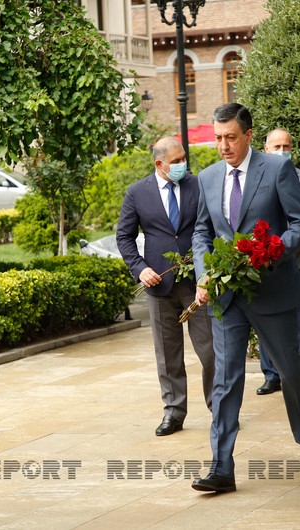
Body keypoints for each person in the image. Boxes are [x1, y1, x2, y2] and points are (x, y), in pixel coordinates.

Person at [191, 103, 300, 494]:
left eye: (230, 137)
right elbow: (201, 233)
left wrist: (274, 249)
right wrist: (204, 273)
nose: (223, 145)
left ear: (248, 135)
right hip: (226, 296)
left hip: (274, 291)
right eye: (217, 138)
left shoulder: (278, 169)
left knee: (292, 373)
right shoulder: (208, 177)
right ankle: (221, 466)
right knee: (225, 381)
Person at [116, 137, 215, 437]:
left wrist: (208, 270)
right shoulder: (137, 193)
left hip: (196, 284)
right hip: (159, 285)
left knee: (211, 350)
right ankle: (174, 411)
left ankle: (220, 407)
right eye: (176, 161)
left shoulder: (197, 186)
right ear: (159, 164)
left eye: (183, 158)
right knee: (168, 354)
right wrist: (140, 268)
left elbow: (210, 228)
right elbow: (124, 237)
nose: (182, 164)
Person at [256, 128, 300, 396]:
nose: (282, 151)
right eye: (277, 147)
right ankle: (271, 375)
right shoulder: (257, 179)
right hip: (265, 264)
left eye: (287, 146)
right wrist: (268, 255)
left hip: (299, 262)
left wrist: (280, 249)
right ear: (265, 148)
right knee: (266, 318)